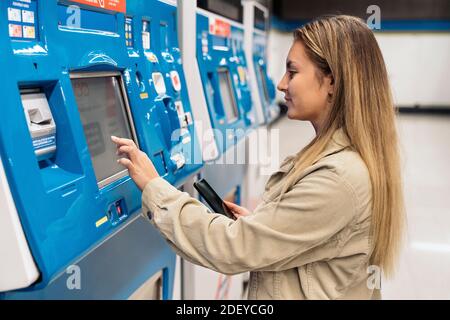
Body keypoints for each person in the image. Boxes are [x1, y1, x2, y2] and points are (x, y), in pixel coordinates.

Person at [111, 15, 405, 300]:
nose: (280, 84)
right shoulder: (345, 158)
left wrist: (154, 187)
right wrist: (270, 226)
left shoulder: (338, 178)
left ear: (331, 81)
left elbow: (232, 248)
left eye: (292, 72)